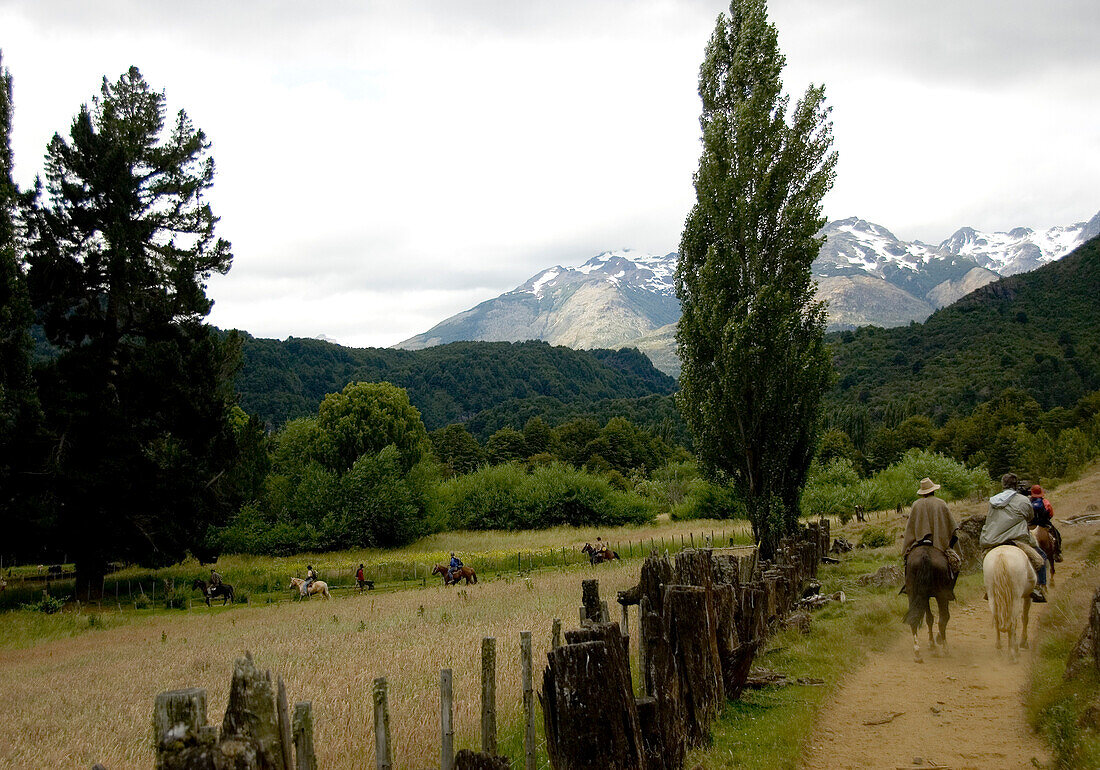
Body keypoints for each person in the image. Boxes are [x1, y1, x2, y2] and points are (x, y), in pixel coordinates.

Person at [980, 473, 1048, 602]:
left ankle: (988, 587)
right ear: (1015, 485)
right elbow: (1030, 517)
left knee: (985, 558)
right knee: (1041, 558)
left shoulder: (993, 500)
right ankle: (1038, 588)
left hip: (994, 540)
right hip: (1017, 540)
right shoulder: (1023, 500)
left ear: (1003, 484)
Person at [902, 477, 961, 578]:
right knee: (956, 563)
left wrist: (905, 549)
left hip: (919, 542)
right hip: (939, 543)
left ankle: (907, 585)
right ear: (934, 490)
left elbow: (910, 529)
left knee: (907, 563)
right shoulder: (941, 503)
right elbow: (951, 527)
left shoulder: (915, 505)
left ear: (922, 493)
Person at [1029, 485, 1062, 562]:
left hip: (1030, 525)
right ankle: (1057, 553)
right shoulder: (1045, 502)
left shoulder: (1028, 502)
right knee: (1057, 535)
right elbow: (1051, 514)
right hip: (1044, 524)